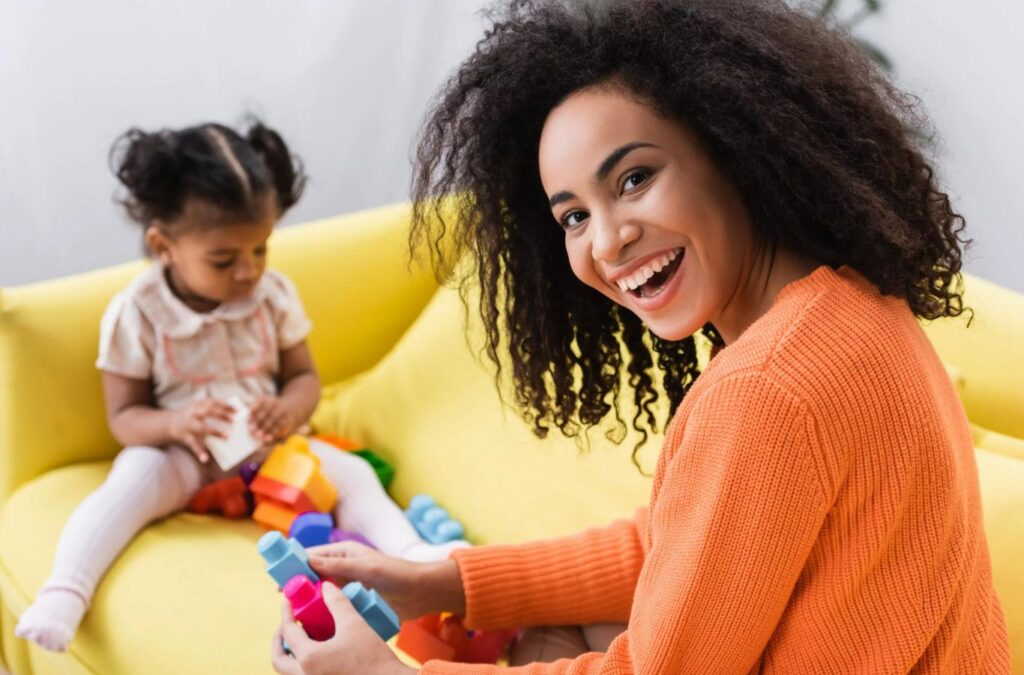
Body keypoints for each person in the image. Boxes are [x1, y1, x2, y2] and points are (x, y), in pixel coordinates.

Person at [271, 0, 1011, 672]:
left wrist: (382, 672)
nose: (609, 241)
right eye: (573, 216)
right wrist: (448, 581)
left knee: (554, 640)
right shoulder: (854, 306)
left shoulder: (768, 389)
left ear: (734, 148)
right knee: (558, 629)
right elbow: (674, 548)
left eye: (633, 178)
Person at [16, 120, 465, 653]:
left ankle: (411, 553)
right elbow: (125, 418)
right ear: (164, 246)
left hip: (272, 449)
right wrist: (175, 424)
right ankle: (65, 591)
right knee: (128, 483)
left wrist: (288, 407)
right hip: (185, 453)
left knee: (352, 472)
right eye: (224, 260)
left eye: (261, 249)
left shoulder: (272, 295)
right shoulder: (137, 313)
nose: (248, 271)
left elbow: (303, 378)